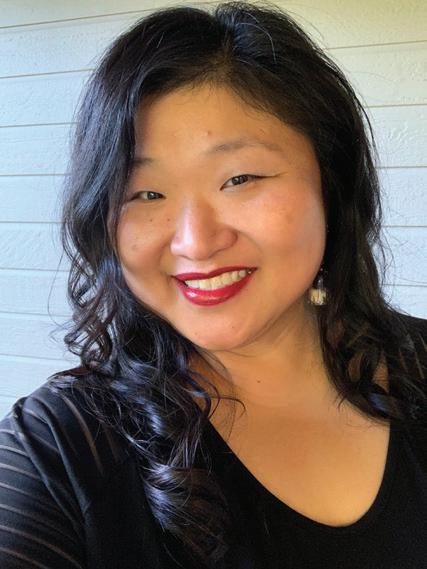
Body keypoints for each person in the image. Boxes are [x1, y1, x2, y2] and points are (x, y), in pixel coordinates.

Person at [0, 2, 426, 568]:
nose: (196, 243)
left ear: (331, 180)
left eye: (240, 178)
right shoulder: (55, 449)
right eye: (146, 194)